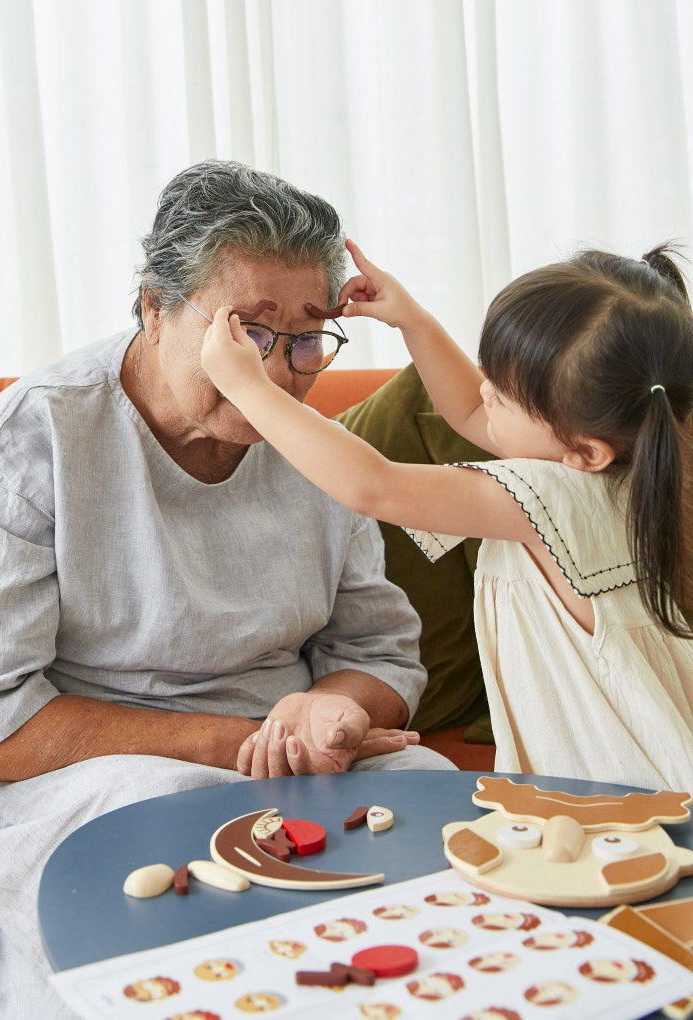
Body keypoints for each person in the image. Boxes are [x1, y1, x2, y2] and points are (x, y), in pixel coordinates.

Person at [0, 161, 452, 1020]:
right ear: (155, 308)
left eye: (306, 337)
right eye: (247, 333)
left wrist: (334, 709)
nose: (278, 373)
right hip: (73, 772)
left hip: (278, 753)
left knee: (431, 792)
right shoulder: (38, 436)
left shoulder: (312, 449)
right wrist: (239, 746)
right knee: (171, 820)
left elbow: (375, 649)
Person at [200, 238, 693, 790]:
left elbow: (373, 486)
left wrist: (246, 385)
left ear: (585, 450)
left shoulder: (545, 494)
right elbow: (467, 409)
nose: (484, 393)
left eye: (504, 396)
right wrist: (412, 321)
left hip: (626, 792)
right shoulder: (633, 474)